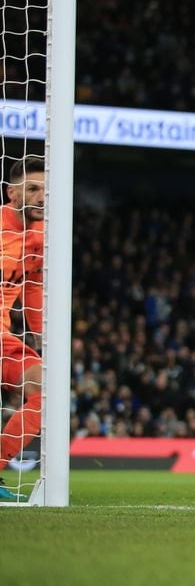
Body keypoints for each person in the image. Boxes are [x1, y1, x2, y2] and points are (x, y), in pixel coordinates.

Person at [0, 156, 44, 502]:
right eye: (33, 189)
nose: (42, 197)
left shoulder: (40, 236)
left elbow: (32, 285)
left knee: (48, 389)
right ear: (13, 193)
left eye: (47, 189)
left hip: (4, 340)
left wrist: (43, 334)